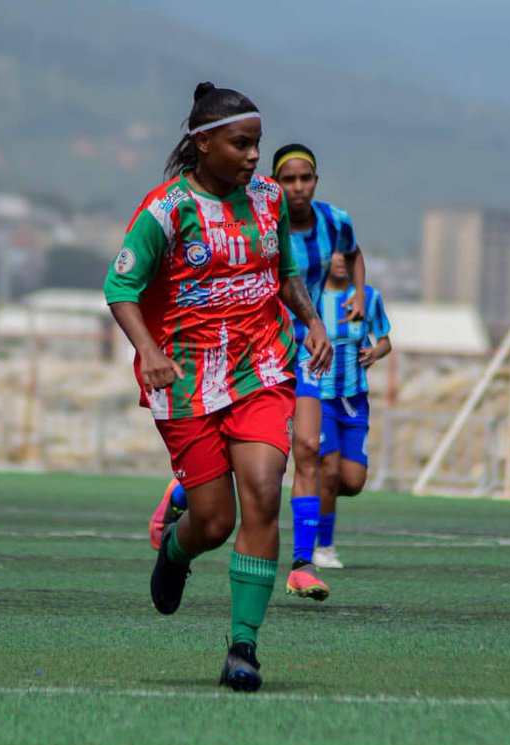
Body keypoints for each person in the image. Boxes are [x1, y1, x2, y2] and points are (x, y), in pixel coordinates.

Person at [105, 82, 332, 692]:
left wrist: (311, 321)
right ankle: (176, 551)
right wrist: (148, 350)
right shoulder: (165, 210)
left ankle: (243, 648)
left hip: (261, 369)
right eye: (241, 144)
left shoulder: (267, 201)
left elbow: (284, 272)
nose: (255, 157)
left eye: (257, 144)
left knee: (263, 489)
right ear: (203, 144)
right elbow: (120, 290)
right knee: (213, 523)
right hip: (183, 381)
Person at [272, 144, 367, 599]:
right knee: (249, 461)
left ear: (315, 179)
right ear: (276, 182)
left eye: (304, 178)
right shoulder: (264, 220)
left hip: (306, 347)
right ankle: (178, 496)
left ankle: (302, 564)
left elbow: (354, 252)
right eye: (288, 180)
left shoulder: (335, 220)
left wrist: (360, 295)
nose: (297, 187)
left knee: (307, 446)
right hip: (256, 346)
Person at [312, 252, 391, 568]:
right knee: (328, 472)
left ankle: (311, 494)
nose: (341, 260)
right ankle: (324, 547)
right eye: (335, 254)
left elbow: (385, 340)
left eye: (348, 255)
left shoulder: (368, 298)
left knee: (353, 481)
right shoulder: (311, 296)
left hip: (355, 401)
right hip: (320, 399)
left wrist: (375, 352)